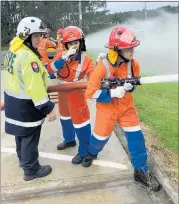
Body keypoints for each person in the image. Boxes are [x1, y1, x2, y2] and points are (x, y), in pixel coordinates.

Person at [83, 26, 160, 191]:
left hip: (126, 107)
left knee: (136, 138)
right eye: (129, 48)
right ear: (117, 50)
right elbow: (90, 93)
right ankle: (91, 152)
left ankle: (141, 171)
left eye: (133, 47)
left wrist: (129, 88)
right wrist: (112, 93)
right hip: (107, 109)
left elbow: (133, 84)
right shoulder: (103, 66)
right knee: (100, 138)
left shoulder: (134, 64)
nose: (132, 51)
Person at [3, 17, 57, 181]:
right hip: (26, 106)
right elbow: (35, 87)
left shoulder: (13, 50)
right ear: (26, 36)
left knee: (20, 135)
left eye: (40, 35)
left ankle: (23, 161)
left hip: (13, 102)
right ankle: (31, 169)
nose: (39, 39)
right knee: (29, 138)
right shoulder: (29, 57)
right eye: (36, 36)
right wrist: (49, 108)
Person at [47, 26, 95, 165]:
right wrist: (63, 59)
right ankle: (69, 140)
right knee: (65, 119)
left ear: (81, 43)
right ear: (65, 45)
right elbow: (50, 71)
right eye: (70, 43)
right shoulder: (60, 56)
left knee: (81, 123)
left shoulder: (86, 60)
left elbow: (93, 76)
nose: (73, 46)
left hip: (77, 95)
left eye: (76, 42)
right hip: (62, 93)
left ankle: (84, 151)